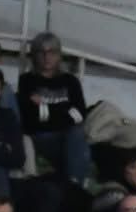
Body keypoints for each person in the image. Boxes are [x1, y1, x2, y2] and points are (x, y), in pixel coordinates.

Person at [18, 33, 89, 186]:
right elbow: (30, 120)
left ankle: (75, 186)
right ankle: (74, 186)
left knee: (77, 134)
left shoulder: (70, 81)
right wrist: (65, 109)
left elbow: (81, 114)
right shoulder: (27, 80)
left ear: (59, 55)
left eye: (52, 52)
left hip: (68, 136)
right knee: (75, 136)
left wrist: (44, 109)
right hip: (41, 137)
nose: (46, 57)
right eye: (41, 52)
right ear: (34, 55)